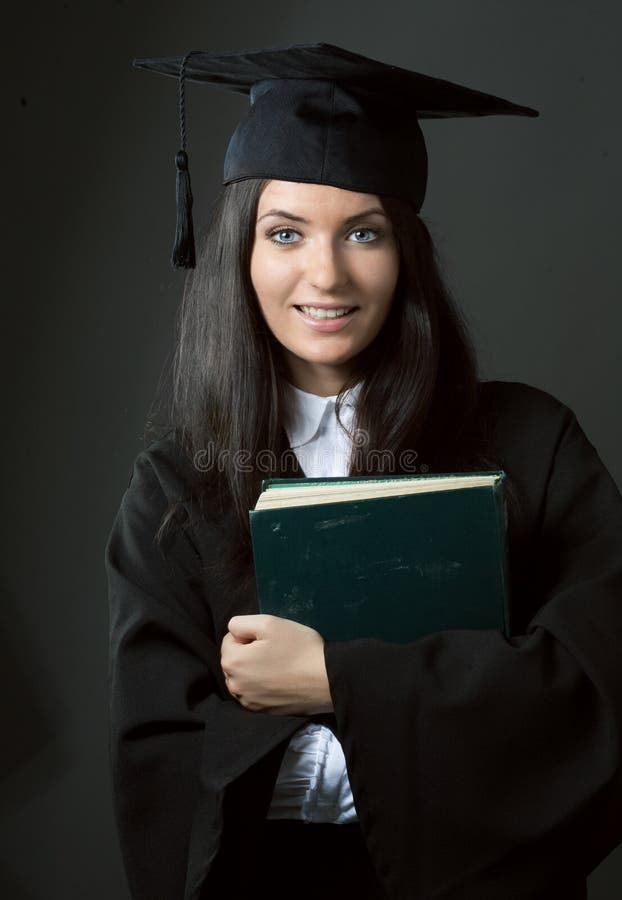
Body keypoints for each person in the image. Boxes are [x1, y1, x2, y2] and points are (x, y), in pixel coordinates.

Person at [105, 43, 622, 900]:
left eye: (364, 232)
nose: (326, 274)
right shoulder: (176, 488)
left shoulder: (532, 443)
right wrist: (454, 696)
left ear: (406, 252)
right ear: (241, 253)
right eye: (285, 233)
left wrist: (331, 682)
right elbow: (166, 765)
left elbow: (597, 685)